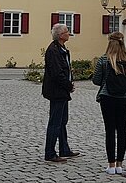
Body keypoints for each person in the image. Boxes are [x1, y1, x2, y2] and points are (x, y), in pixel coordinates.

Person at [92, 32, 126, 175]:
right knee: (122, 130)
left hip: (107, 97)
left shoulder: (104, 60)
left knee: (110, 131)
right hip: (123, 98)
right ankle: (120, 164)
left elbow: (96, 80)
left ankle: (111, 165)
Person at [42, 23, 79, 162]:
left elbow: (66, 69)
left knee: (62, 121)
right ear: (60, 35)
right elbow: (57, 73)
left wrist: (69, 84)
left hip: (62, 90)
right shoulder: (53, 50)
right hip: (57, 91)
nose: (69, 34)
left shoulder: (62, 49)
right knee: (55, 122)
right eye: (67, 32)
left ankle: (64, 149)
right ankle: (50, 152)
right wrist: (68, 85)